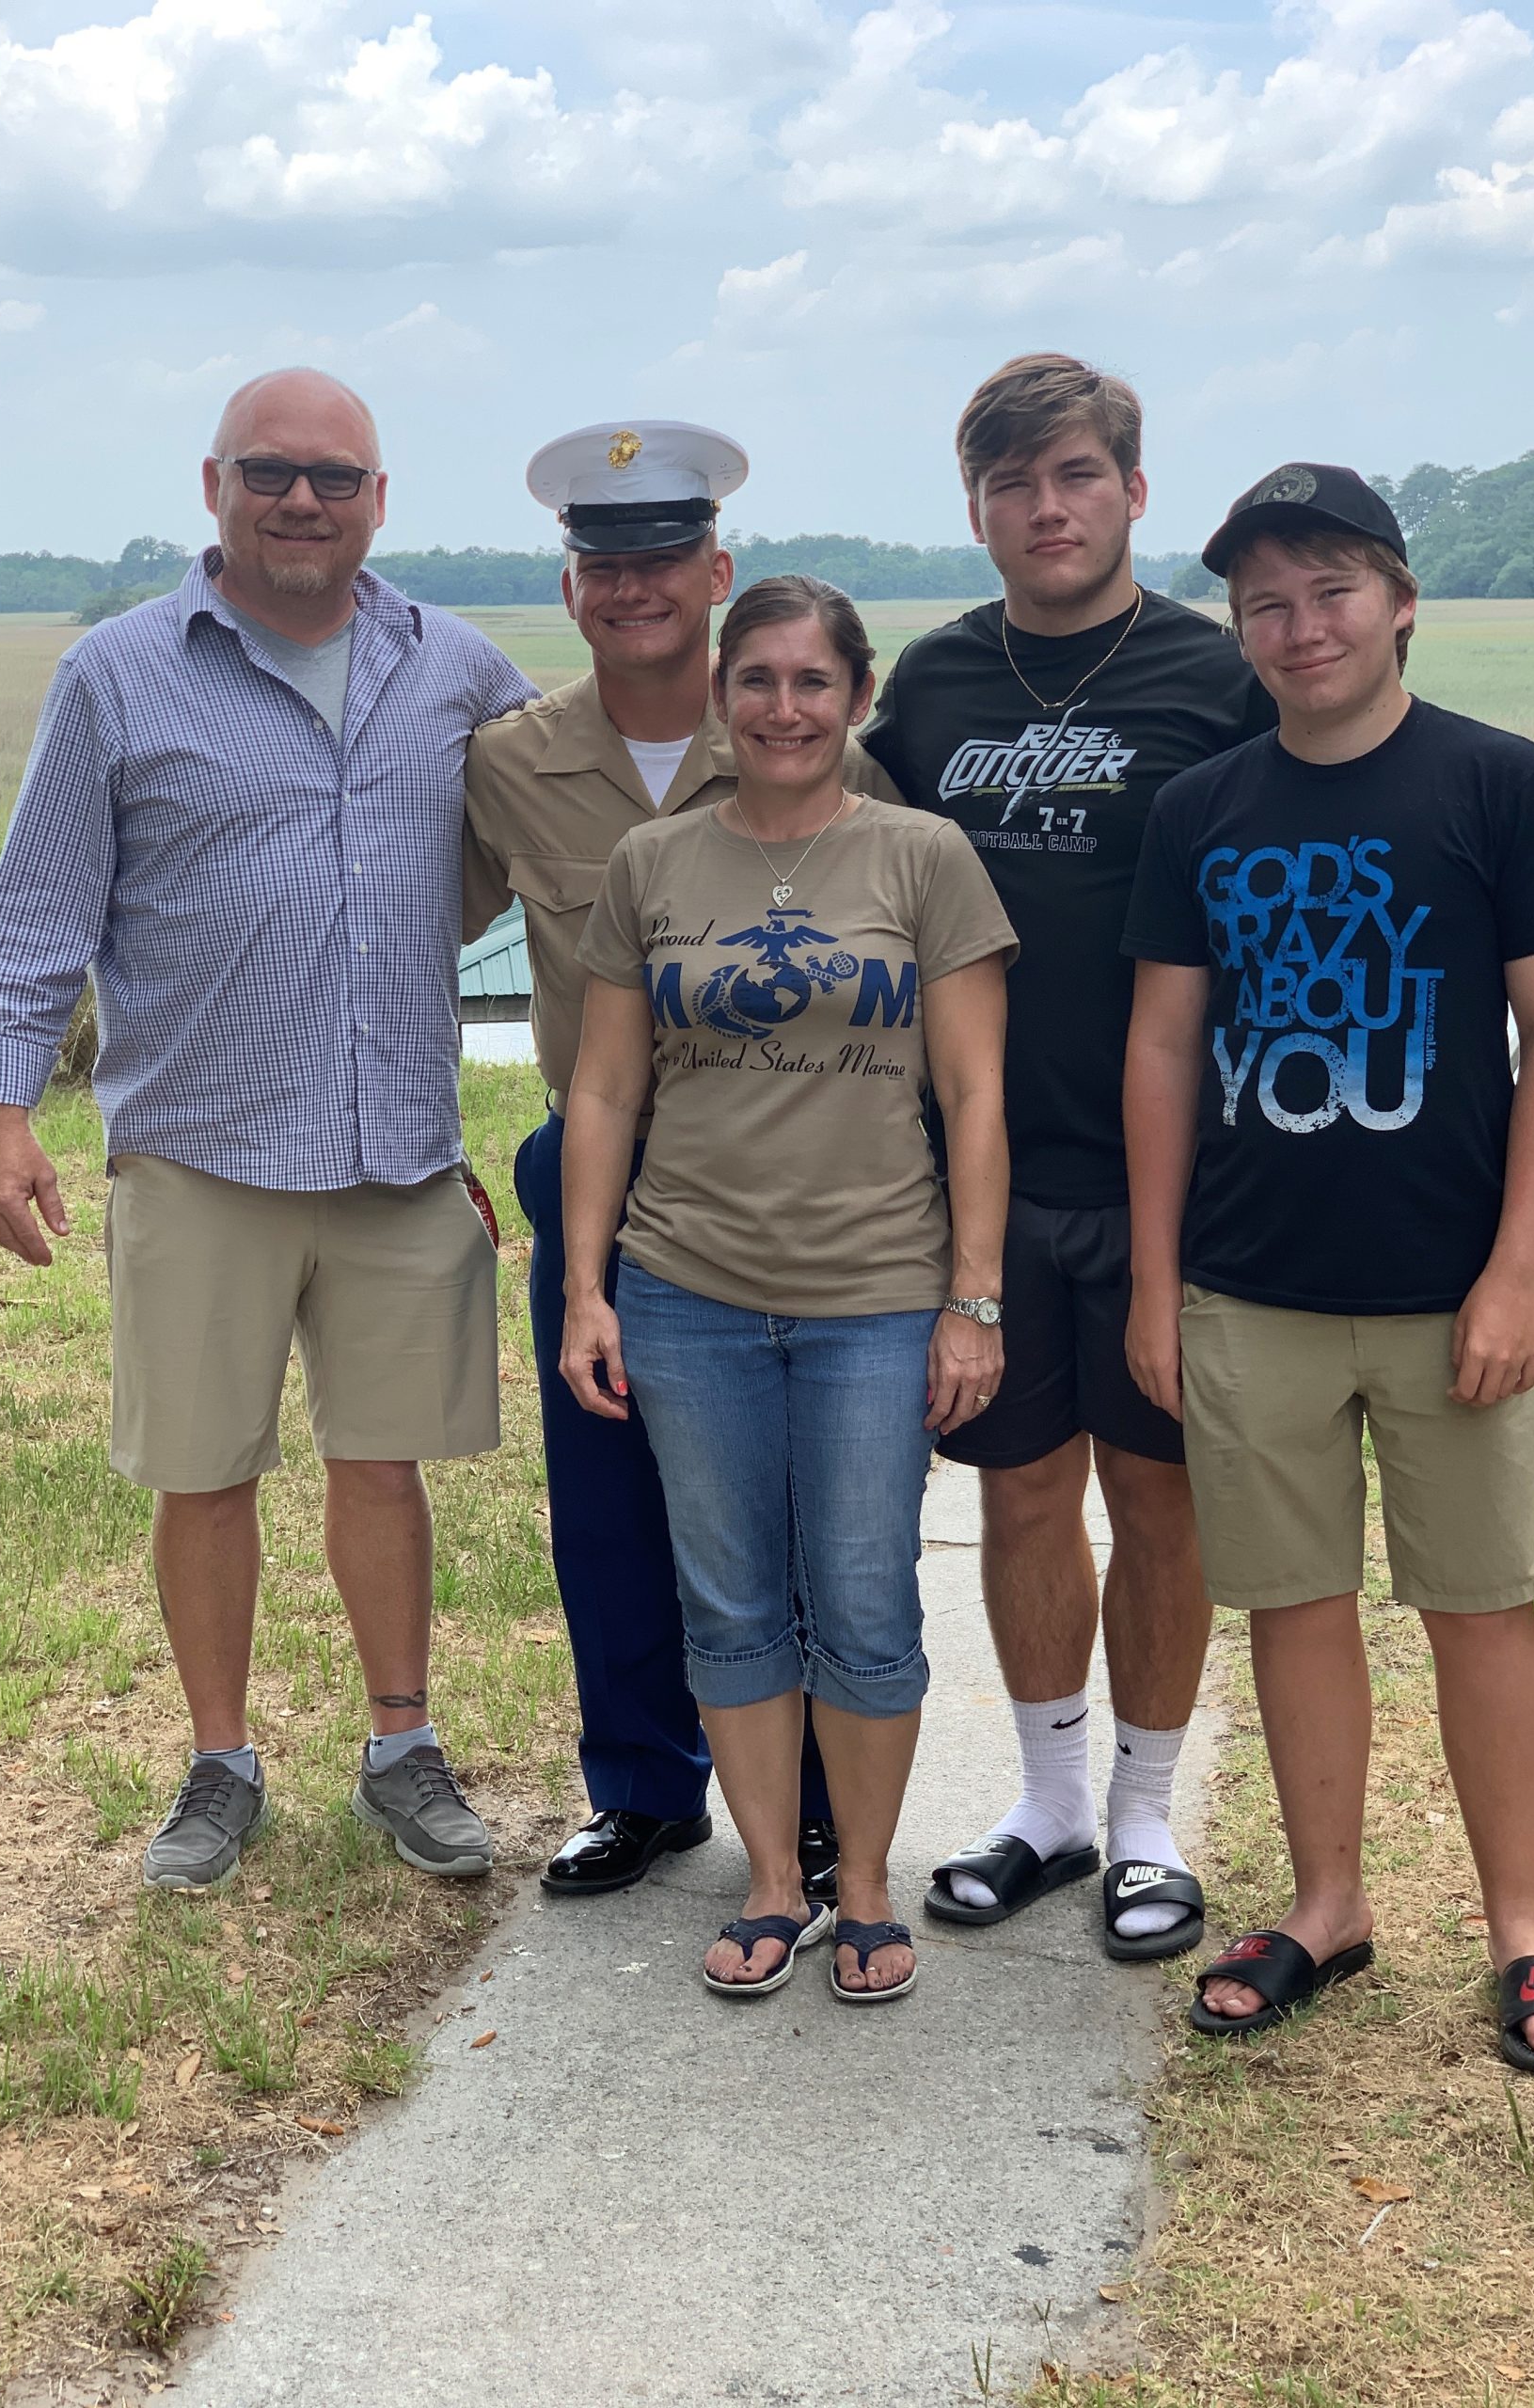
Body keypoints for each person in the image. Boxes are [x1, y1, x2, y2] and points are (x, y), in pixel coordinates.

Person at [0, 368, 531, 1893]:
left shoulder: (456, 667)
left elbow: (583, 822)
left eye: (334, 478)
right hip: (200, 1148)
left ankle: (402, 1748)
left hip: (397, 1148)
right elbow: (37, 914)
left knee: (383, 1465)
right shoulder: (119, 675)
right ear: (213, 484)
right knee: (202, 1471)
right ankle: (220, 1766)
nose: (302, 500)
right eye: (270, 472)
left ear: (381, 503)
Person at [1121, 462, 1534, 2071]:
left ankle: (1523, 1923)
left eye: (1331, 590)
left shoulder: (1497, 783)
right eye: (1266, 601)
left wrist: (1518, 1272)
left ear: (1401, 601)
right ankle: (1328, 1902)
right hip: (1251, 1286)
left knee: (1479, 1604)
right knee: (1295, 1603)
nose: (1299, 624)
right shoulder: (1201, 809)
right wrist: (1155, 1279)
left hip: (1449, 1280)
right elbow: (1165, 1046)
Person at [859, 354, 1276, 1956]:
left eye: (1079, 476)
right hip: (982, 1181)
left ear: (1134, 491)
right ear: (975, 510)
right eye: (1015, 484)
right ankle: (1045, 1803)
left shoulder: (1213, 673)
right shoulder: (937, 687)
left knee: (1158, 1504)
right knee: (1025, 1497)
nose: (1049, 509)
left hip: (1178, 1176)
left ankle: (1149, 1817)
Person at [559, 576, 1015, 2003]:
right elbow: (605, 1088)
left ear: (856, 699)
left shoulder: (922, 857)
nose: (783, 708)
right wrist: (588, 1288)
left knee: (867, 1597)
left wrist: (974, 1298)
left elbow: (975, 1089)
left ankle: (863, 1886)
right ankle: (771, 1882)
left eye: (812, 682)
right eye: (755, 680)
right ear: (719, 696)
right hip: (688, 1288)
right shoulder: (652, 865)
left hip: (876, 1293)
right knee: (732, 1598)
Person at [464, 424, 893, 1903]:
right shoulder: (511, 765)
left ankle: (823, 1800)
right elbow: (402, 932)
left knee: (789, 1514)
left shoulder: (803, 736)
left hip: (783, 1178)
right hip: (593, 1178)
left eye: (662, 559)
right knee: (608, 1511)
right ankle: (643, 1788)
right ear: (572, 587)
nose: (635, 588)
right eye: (605, 564)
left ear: (716, 569)